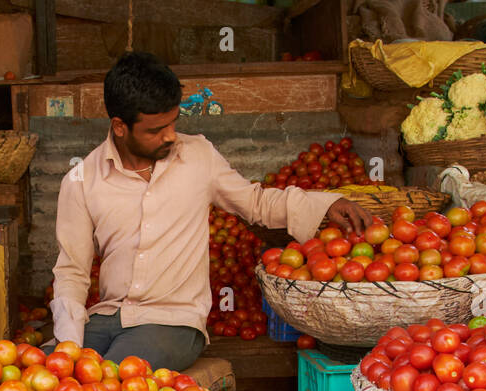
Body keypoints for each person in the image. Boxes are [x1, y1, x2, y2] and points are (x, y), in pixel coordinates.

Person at [50, 51, 371, 370]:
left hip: (172, 320)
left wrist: (327, 202)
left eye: (173, 123)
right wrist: (69, 345)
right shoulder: (80, 181)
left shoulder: (198, 156)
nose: (170, 135)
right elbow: (72, 272)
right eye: (155, 130)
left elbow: (256, 203)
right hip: (107, 316)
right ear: (119, 127)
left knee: (113, 379)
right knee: (42, 371)